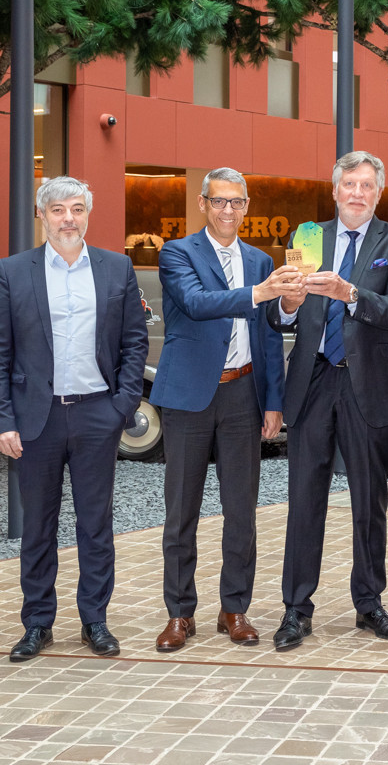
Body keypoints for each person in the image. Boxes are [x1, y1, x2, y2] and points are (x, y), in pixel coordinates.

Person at [0, 177, 148, 662]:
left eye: (77, 209)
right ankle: (37, 623)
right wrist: (0, 420)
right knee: (39, 525)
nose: (68, 218)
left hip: (99, 412)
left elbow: (134, 342)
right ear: (42, 215)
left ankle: (94, 620)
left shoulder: (116, 268)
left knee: (96, 524)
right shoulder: (14, 271)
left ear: (88, 214)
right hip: (37, 418)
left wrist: (122, 405)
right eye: (58, 210)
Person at [267, 151, 388, 650]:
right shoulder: (308, 237)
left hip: (368, 383)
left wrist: (349, 292)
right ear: (334, 191)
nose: (356, 192)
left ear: (379, 193)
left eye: (366, 185)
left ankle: (369, 603)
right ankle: (296, 608)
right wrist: (288, 305)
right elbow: (282, 317)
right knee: (303, 501)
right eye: (348, 184)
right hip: (312, 382)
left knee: (368, 501)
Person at [149, 168, 299, 652]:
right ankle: (179, 613)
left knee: (241, 512)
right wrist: (261, 293)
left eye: (236, 202)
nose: (228, 210)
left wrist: (273, 401)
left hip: (242, 395)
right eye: (219, 201)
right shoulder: (177, 253)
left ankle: (233, 608)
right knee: (181, 513)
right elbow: (196, 303)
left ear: (247, 206)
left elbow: (270, 336)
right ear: (203, 204)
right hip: (189, 396)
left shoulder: (260, 260)